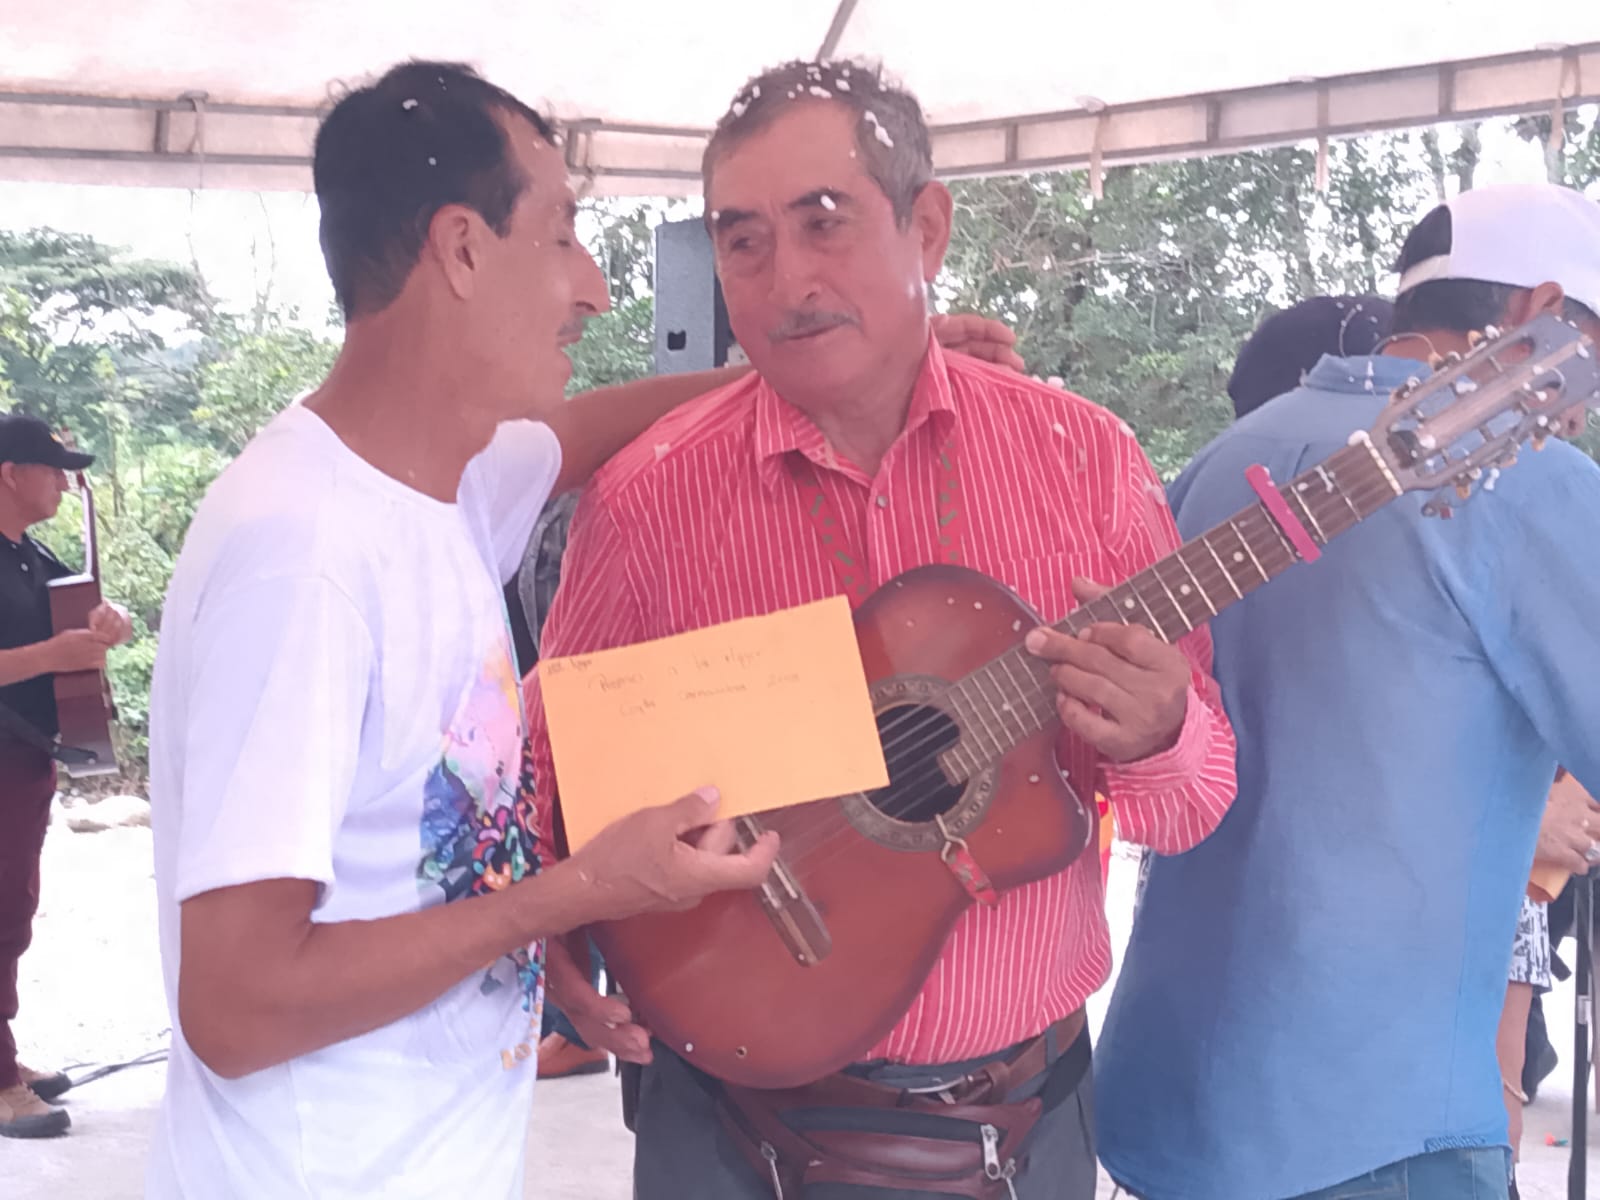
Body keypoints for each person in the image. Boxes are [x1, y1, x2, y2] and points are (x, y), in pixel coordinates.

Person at [525, 59, 1237, 1200]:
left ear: (927, 227)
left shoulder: (1084, 463)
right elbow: (554, 764)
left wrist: (1160, 734)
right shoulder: (648, 497)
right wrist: (554, 925)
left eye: (825, 222)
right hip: (730, 1129)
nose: (787, 279)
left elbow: (1189, 806)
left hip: (1023, 1125)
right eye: (743, 240)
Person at [142, 60, 792, 1200]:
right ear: (461, 249)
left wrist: (818, 370)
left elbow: (584, 431)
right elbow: (236, 1009)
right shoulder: (303, 561)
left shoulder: (446, 488)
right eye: (563, 235)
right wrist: (572, 896)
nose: (593, 288)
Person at [1095, 182, 1600, 1200]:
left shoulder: (1218, 463)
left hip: (1168, 1105)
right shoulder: (1526, 476)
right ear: (1539, 313)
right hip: (1380, 1129)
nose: (1586, 404)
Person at [0, 414, 134, 1139]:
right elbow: (53, 649)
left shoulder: (31, 555)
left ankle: (4, 1054)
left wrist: (111, 621)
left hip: (25, 757)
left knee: (12, 914)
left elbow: (87, 614)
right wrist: (52, 655)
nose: (62, 482)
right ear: (9, 475)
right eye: (51, 469)